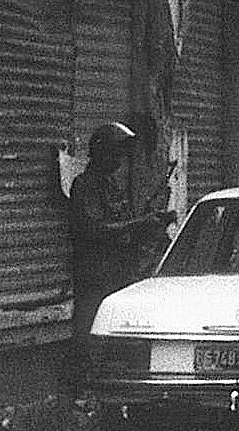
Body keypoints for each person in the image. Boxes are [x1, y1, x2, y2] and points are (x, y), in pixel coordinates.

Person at [66, 122, 173, 381]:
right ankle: (83, 387)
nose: (119, 160)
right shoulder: (85, 186)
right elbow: (95, 229)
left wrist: (154, 223)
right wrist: (140, 223)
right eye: (115, 153)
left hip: (119, 273)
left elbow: (124, 224)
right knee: (90, 336)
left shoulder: (111, 185)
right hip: (95, 276)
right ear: (100, 153)